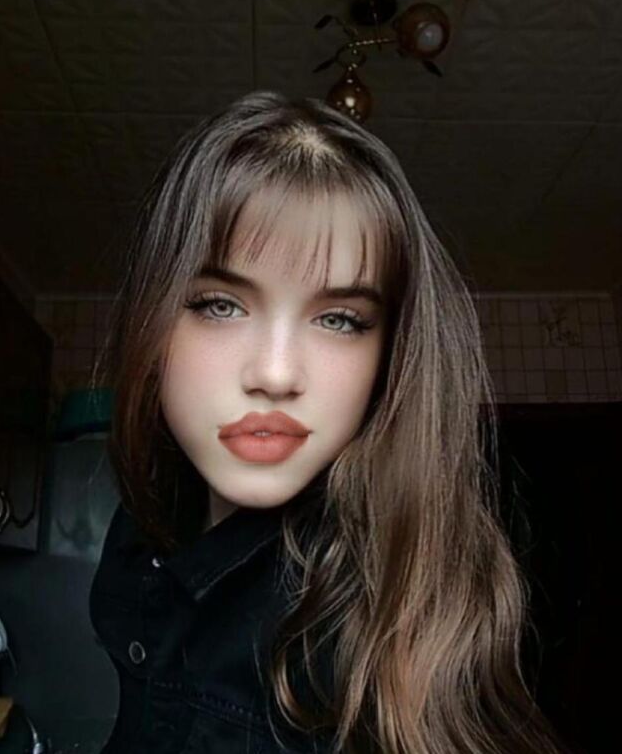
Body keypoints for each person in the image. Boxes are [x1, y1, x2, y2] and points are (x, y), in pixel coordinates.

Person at [89, 89, 571, 753]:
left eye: (339, 319)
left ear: (388, 356)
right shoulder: (136, 531)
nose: (276, 373)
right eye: (220, 304)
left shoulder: (372, 628)